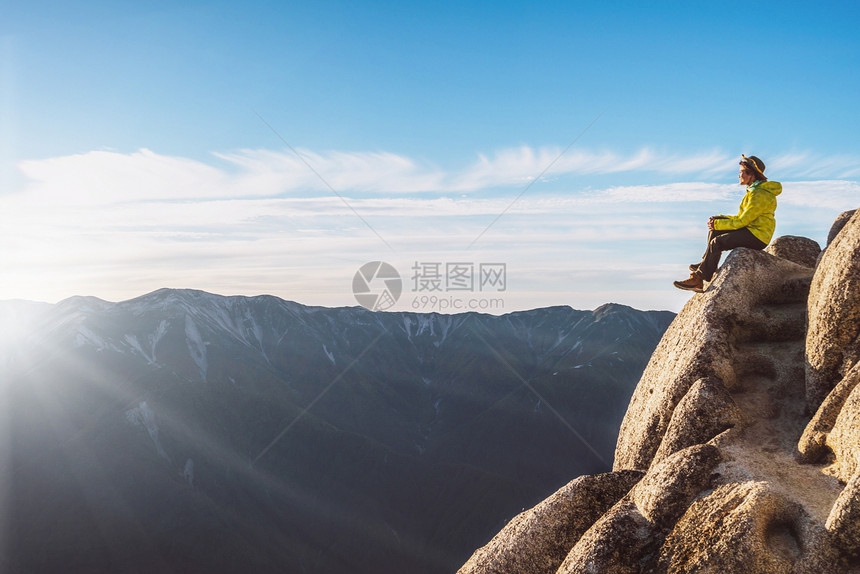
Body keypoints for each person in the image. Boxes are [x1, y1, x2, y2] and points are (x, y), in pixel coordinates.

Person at [674, 155, 782, 293]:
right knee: (716, 228)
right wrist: (718, 220)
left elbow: (742, 221)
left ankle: (699, 278)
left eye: (741, 172)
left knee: (717, 242)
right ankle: (706, 264)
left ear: (751, 174)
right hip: (751, 230)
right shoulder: (754, 191)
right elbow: (740, 217)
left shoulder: (759, 195)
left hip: (758, 236)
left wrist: (718, 224)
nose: (738, 175)